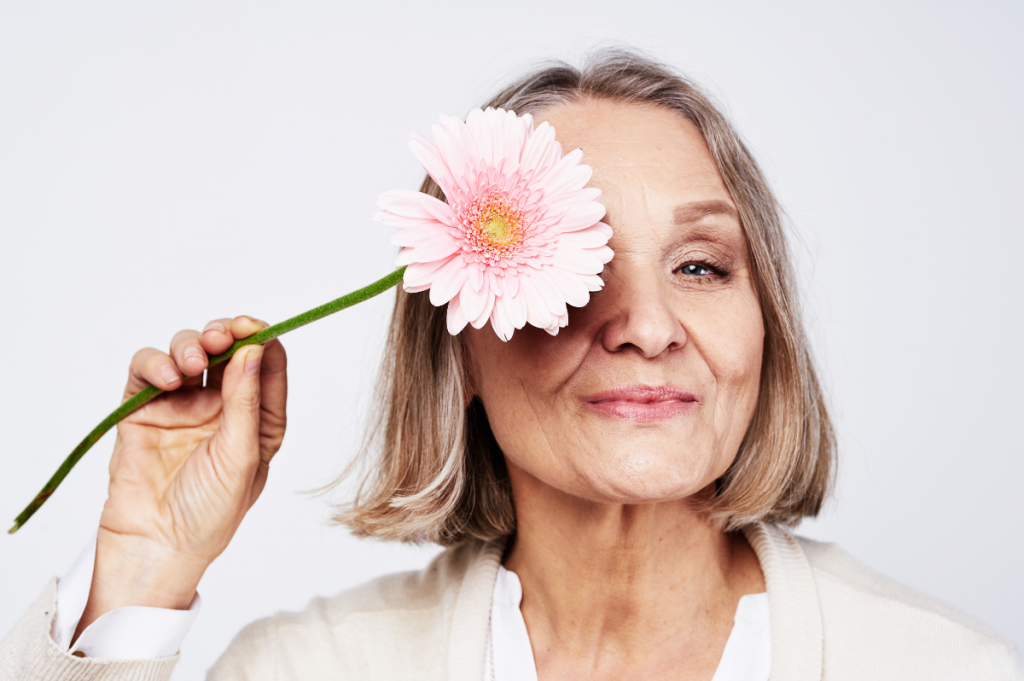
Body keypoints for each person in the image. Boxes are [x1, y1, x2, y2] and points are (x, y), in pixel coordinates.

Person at [2, 49, 1021, 681]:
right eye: (581, 272)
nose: (649, 326)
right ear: (461, 350)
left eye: (701, 265)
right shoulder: (310, 670)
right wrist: (143, 568)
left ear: (767, 333)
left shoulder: (942, 672)